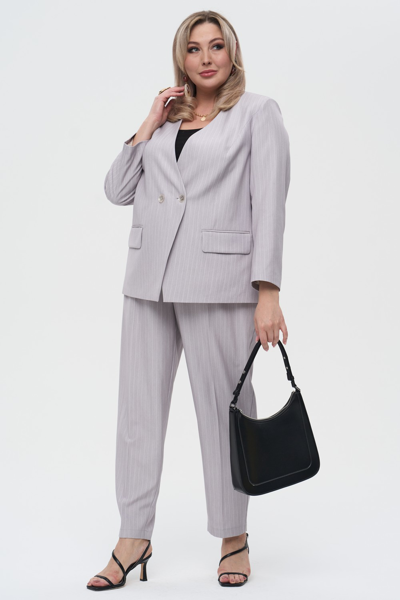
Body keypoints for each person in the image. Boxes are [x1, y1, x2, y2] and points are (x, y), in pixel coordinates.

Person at [87, 9, 290, 591]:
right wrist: (149, 120)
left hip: (219, 283)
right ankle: (133, 537)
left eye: (216, 46)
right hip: (147, 283)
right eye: (194, 48)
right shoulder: (165, 121)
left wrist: (268, 293)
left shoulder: (258, 113)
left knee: (224, 413)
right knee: (137, 415)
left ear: (233, 53)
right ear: (181, 58)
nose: (206, 58)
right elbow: (117, 190)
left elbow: (269, 204)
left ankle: (233, 537)